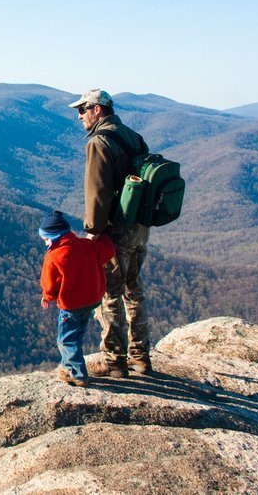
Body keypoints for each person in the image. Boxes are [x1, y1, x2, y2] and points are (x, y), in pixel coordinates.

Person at [69, 88, 152, 377]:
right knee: (134, 291)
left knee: (109, 295)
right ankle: (141, 357)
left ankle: (116, 362)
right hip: (140, 228)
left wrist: (92, 232)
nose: (79, 115)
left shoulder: (99, 141)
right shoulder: (133, 137)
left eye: (83, 109)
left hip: (115, 232)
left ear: (98, 109)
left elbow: (97, 192)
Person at [39, 210, 116, 387]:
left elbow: (50, 284)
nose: (45, 243)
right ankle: (68, 366)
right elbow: (108, 251)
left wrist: (47, 297)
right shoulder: (87, 245)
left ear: (54, 237)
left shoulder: (54, 257)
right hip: (91, 301)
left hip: (71, 306)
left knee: (66, 339)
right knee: (77, 334)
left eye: (45, 239)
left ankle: (78, 374)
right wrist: (101, 234)